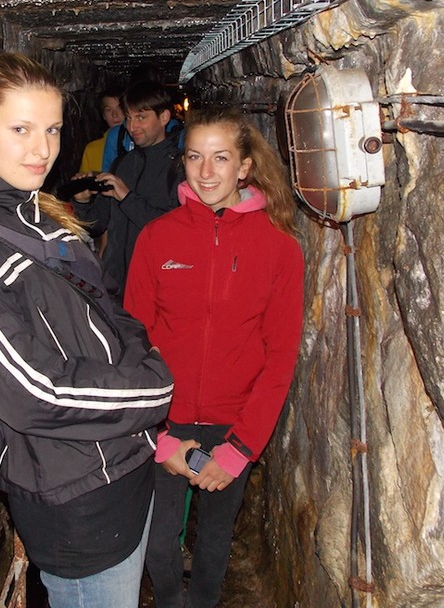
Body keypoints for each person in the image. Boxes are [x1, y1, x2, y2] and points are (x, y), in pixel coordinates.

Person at [0, 53, 173, 608]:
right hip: (79, 497)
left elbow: (109, 308)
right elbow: (36, 391)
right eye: (20, 129)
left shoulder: (37, 215)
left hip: (125, 466)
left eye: (53, 130)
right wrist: (152, 388)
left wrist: (143, 357)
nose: (42, 149)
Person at [124, 107, 305, 608]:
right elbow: (133, 341)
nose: (206, 172)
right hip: (165, 418)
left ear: (244, 167)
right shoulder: (157, 238)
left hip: (233, 424)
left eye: (220, 158)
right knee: (158, 541)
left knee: (214, 542)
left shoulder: (279, 248)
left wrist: (241, 448)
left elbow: (280, 356)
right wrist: (156, 435)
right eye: (194, 157)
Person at [72, 80, 184, 301]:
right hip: (115, 284)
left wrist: (127, 197)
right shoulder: (121, 164)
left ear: (163, 117)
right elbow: (98, 225)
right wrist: (82, 202)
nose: (132, 127)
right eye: (129, 118)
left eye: (141, 117)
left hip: (156, 286)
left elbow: (174, 232)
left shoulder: (180, 168)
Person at [79, 93, 125, 174]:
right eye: (109, 110)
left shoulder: (138, 141)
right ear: (103, 115)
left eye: (119, 108)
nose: (115, 115)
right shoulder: (92, 149)